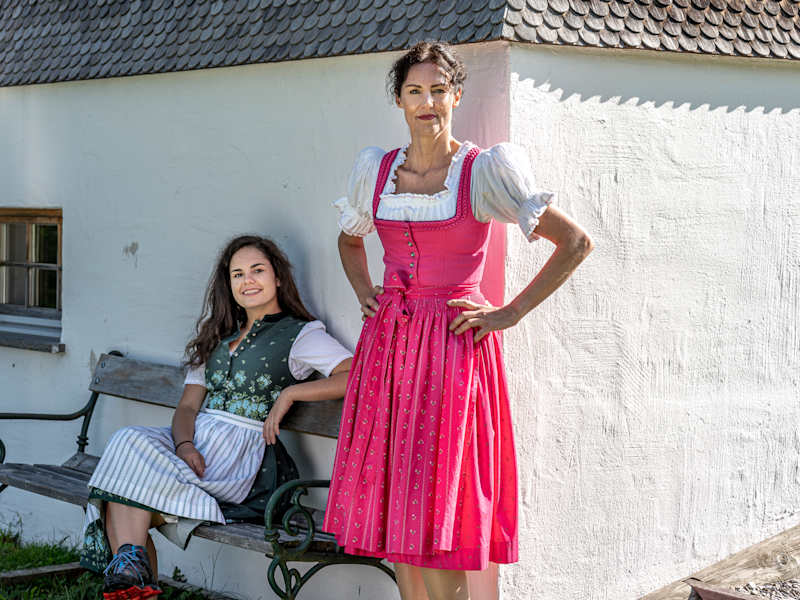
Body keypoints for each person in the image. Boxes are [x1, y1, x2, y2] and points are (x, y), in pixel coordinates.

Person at [325, 42, 593, 600]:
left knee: (435, 503)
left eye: (437, 90)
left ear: (456, 95)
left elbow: (574, 242)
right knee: (398, 504)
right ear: (399, 100)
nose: (427, 103)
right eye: (414, 91)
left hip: (451, 351)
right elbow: (350, 242)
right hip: (389, 352)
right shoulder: (376, 171)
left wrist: (509, 312)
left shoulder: (482, 172)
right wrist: (365, 291)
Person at [81, 235, 353, 600]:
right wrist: (184, 444)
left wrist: (290, 393)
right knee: (127, 440)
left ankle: (129, 569)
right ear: (229, 285)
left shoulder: (299, 335)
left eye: (257, 270)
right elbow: (187, 408)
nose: (247, 280)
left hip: (239, 458)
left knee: (124, 495)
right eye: (237, 274)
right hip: (197, 445)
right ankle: (132, 570)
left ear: (277, 278)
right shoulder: (218, 336)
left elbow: (354, 374)